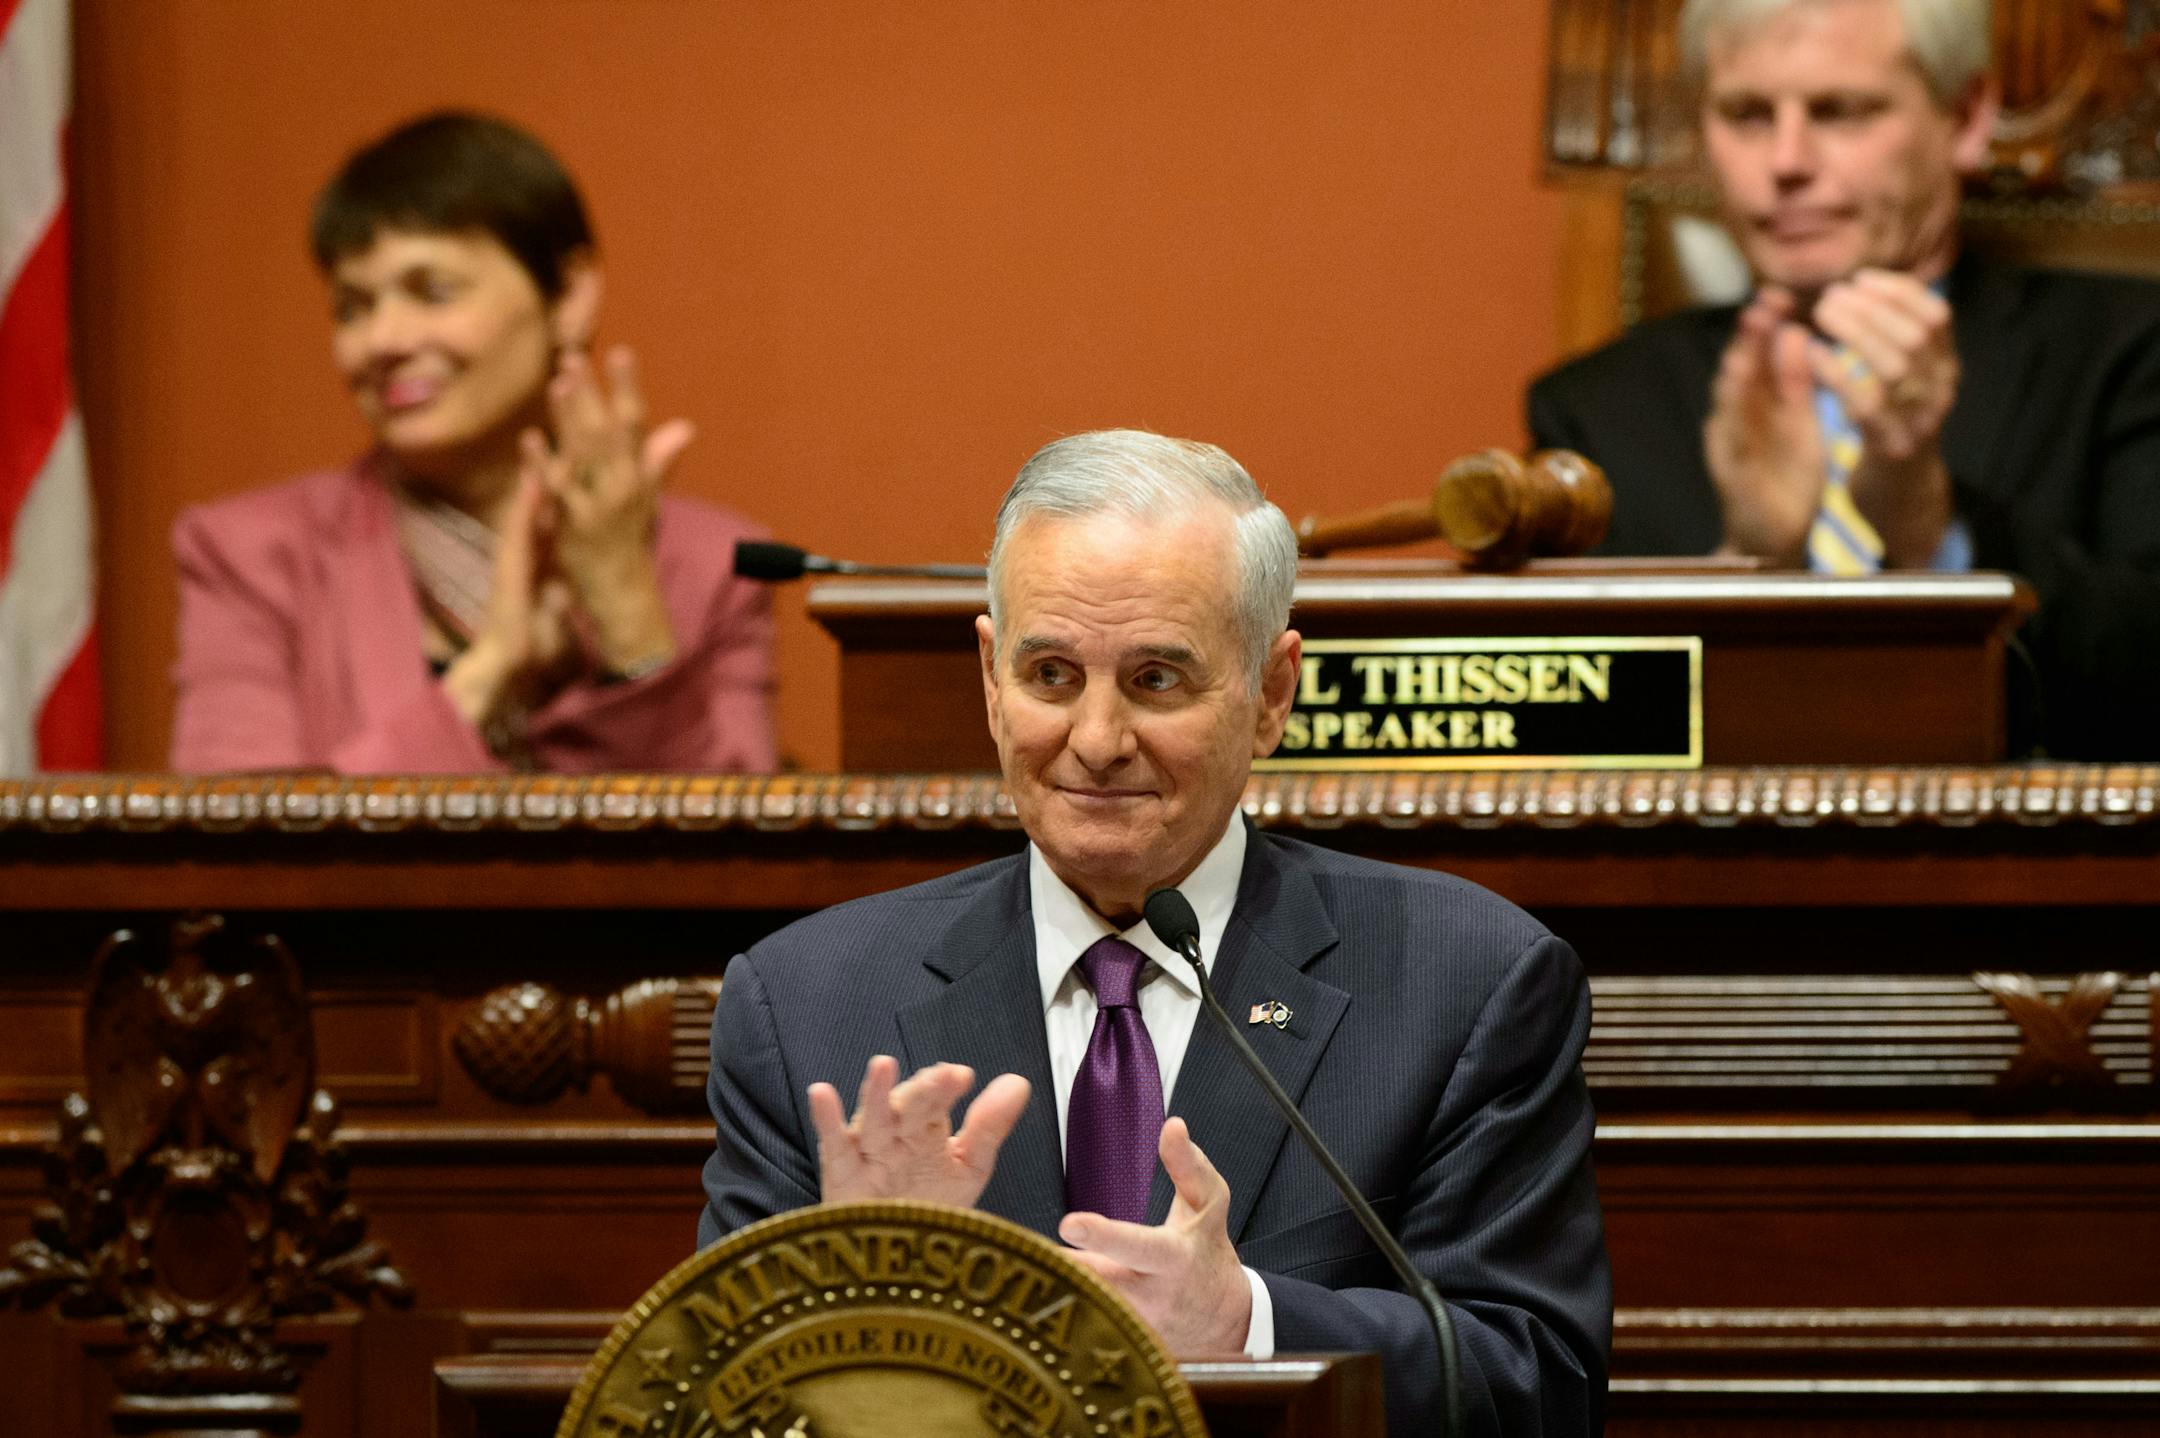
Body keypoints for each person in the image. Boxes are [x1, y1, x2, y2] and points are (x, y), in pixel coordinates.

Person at [698, 430, 1610, 1436]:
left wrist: (1253, 1325)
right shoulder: (809, 1003)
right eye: (1050, 674)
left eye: (1157, 680)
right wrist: (867, 1303)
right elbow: (718, 1403)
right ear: (990, 678)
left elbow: (1541, 1385)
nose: (1095, 740)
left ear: (1271, 694)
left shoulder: (1464, 981)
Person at [1527, 0, 2160, 760]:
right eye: (1747, 114)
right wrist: (1746, 566)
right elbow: (1568, 735)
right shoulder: (1598, 409)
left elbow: (2142, 680)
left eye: (1841, 111)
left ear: (1965, 118)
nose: (1787, 161)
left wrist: (1929, 525)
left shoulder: (2125, 352)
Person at [170, 112, 776, 773]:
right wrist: (488, 672)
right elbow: (232, 855)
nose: (383, 341)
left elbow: (741, 864)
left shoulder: (716, 568)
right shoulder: (250, 555)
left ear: (569, 296)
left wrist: (628, 612)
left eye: (432, 291)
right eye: (352, 306)